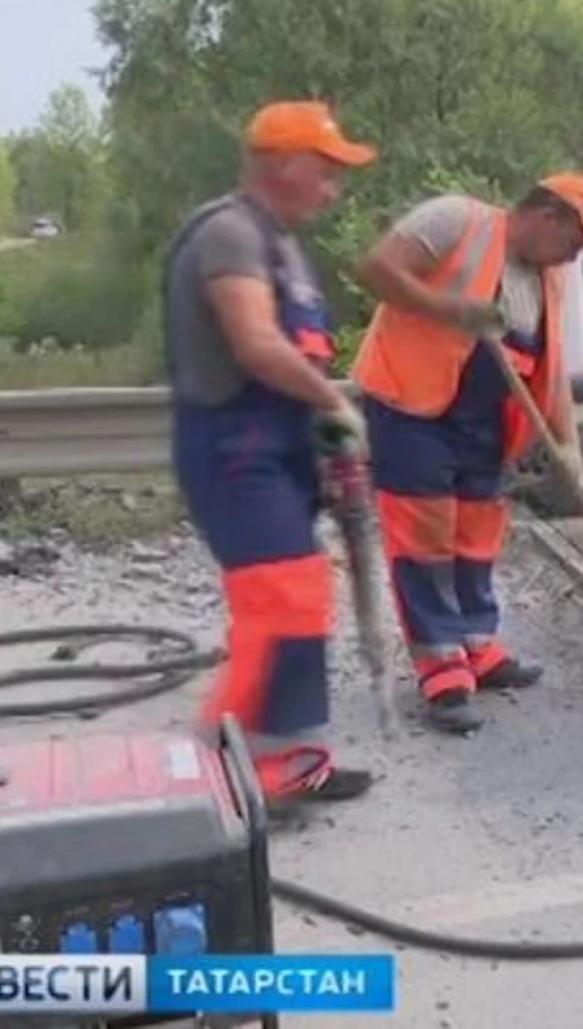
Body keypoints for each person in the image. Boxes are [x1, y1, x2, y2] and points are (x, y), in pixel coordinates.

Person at [164, 100, 378, 810]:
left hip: (273, 451)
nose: (333, 188)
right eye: (326, 170)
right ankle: (212, 773)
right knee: (278, 603)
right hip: (232, 450)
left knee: (298, 597)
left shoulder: (278, 243)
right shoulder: (229, 235)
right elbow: (256, 346)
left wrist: (317, 439)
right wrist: (332, 402)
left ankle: (290, 765)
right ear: (283, 163)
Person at [350, 174, 583, 734]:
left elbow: (554, 365)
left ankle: (476, 644)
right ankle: (441, 668)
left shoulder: (552, 279)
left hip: (486, 420)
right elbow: (375, 269)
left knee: (477, 533)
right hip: (413, 406)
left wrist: (567, 444)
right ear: (548, 214)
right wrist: (450, 309)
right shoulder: (455, 220)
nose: (577, 252)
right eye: (576, 238)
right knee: (425, 536)